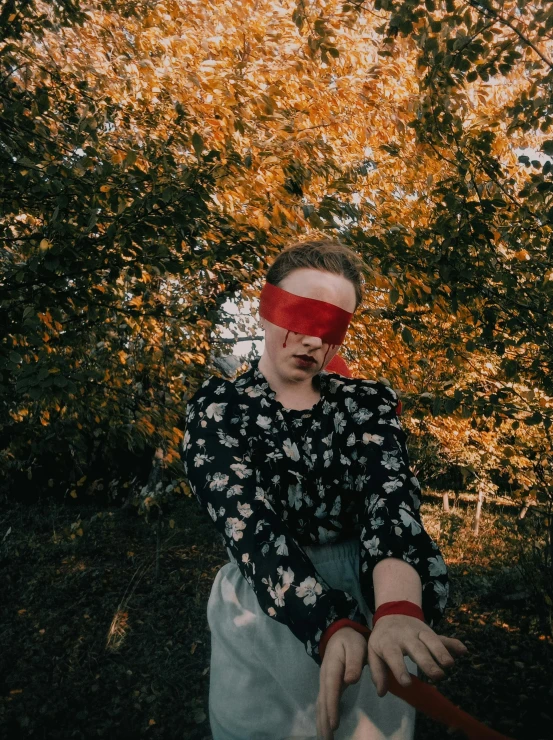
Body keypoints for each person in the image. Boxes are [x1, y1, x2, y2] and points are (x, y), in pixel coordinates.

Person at [181, 238, 467, 740]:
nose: (315, 340)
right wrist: (330, 624)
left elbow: (390, 500)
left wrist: (397, 609)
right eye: (302, 314)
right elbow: (249, 527)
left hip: (370, 588)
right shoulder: (219, 409)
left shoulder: (365, 405)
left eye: (331, 326)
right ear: (266, 310)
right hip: (266, 601)